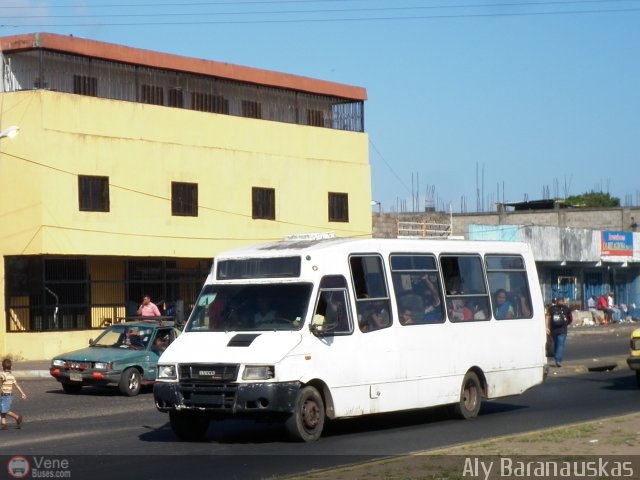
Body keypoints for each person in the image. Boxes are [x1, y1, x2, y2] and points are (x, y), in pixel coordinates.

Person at [546, 296, 573, 367]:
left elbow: (547, 317)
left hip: (553, 330)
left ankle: (557, 359)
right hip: (563, 330)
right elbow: (570, 319)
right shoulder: (567, 309)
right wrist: (566, 324)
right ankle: (558, 360)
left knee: (556, 344)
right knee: (560, 345)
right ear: (563, 301)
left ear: (556, 301)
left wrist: (547, 327)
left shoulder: (551, 308)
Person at [1, 358, 26, 430]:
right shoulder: (12, 376)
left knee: (4, 410)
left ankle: (17, 417)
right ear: (11, 367)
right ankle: (4, 425)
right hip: (5, 396)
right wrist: (22, 393)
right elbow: (17, 385)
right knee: (2, 411)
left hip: (6, 396)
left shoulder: (4, 375)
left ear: (3, 367)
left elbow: (1, 377)